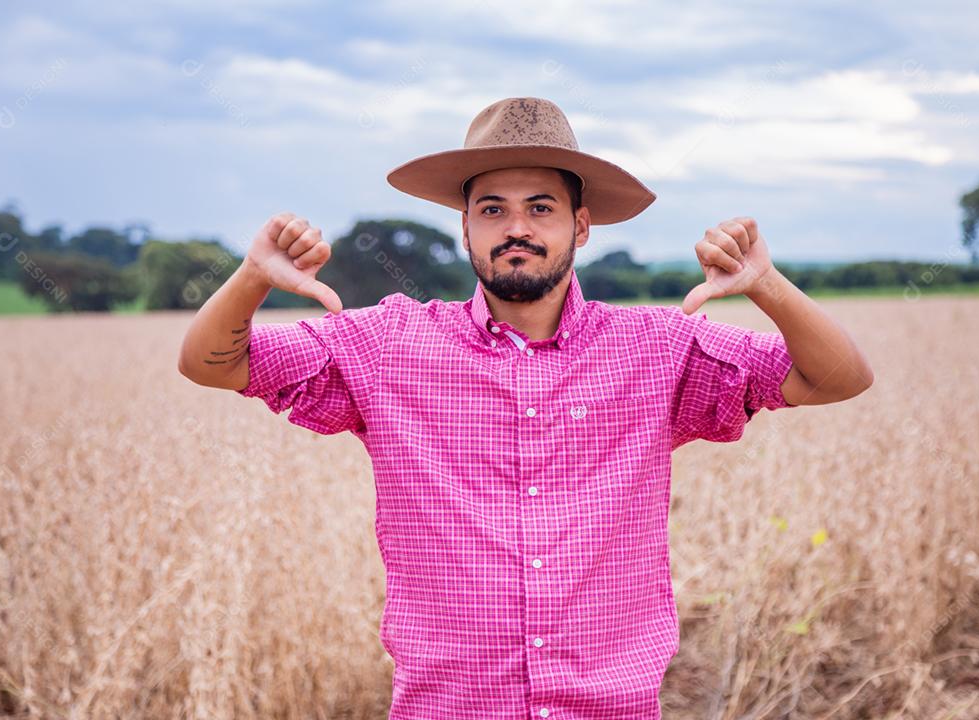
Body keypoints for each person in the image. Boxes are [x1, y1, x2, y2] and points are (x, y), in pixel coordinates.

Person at [178, 97, 874, 719]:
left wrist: (767, 285)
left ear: (581, 224)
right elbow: (215, 364)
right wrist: (249, 280)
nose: (517, 227)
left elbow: (836, 378)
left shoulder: (658, 350)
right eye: (493, 209)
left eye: (540, 207)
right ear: (465, 228)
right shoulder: (388, 344)